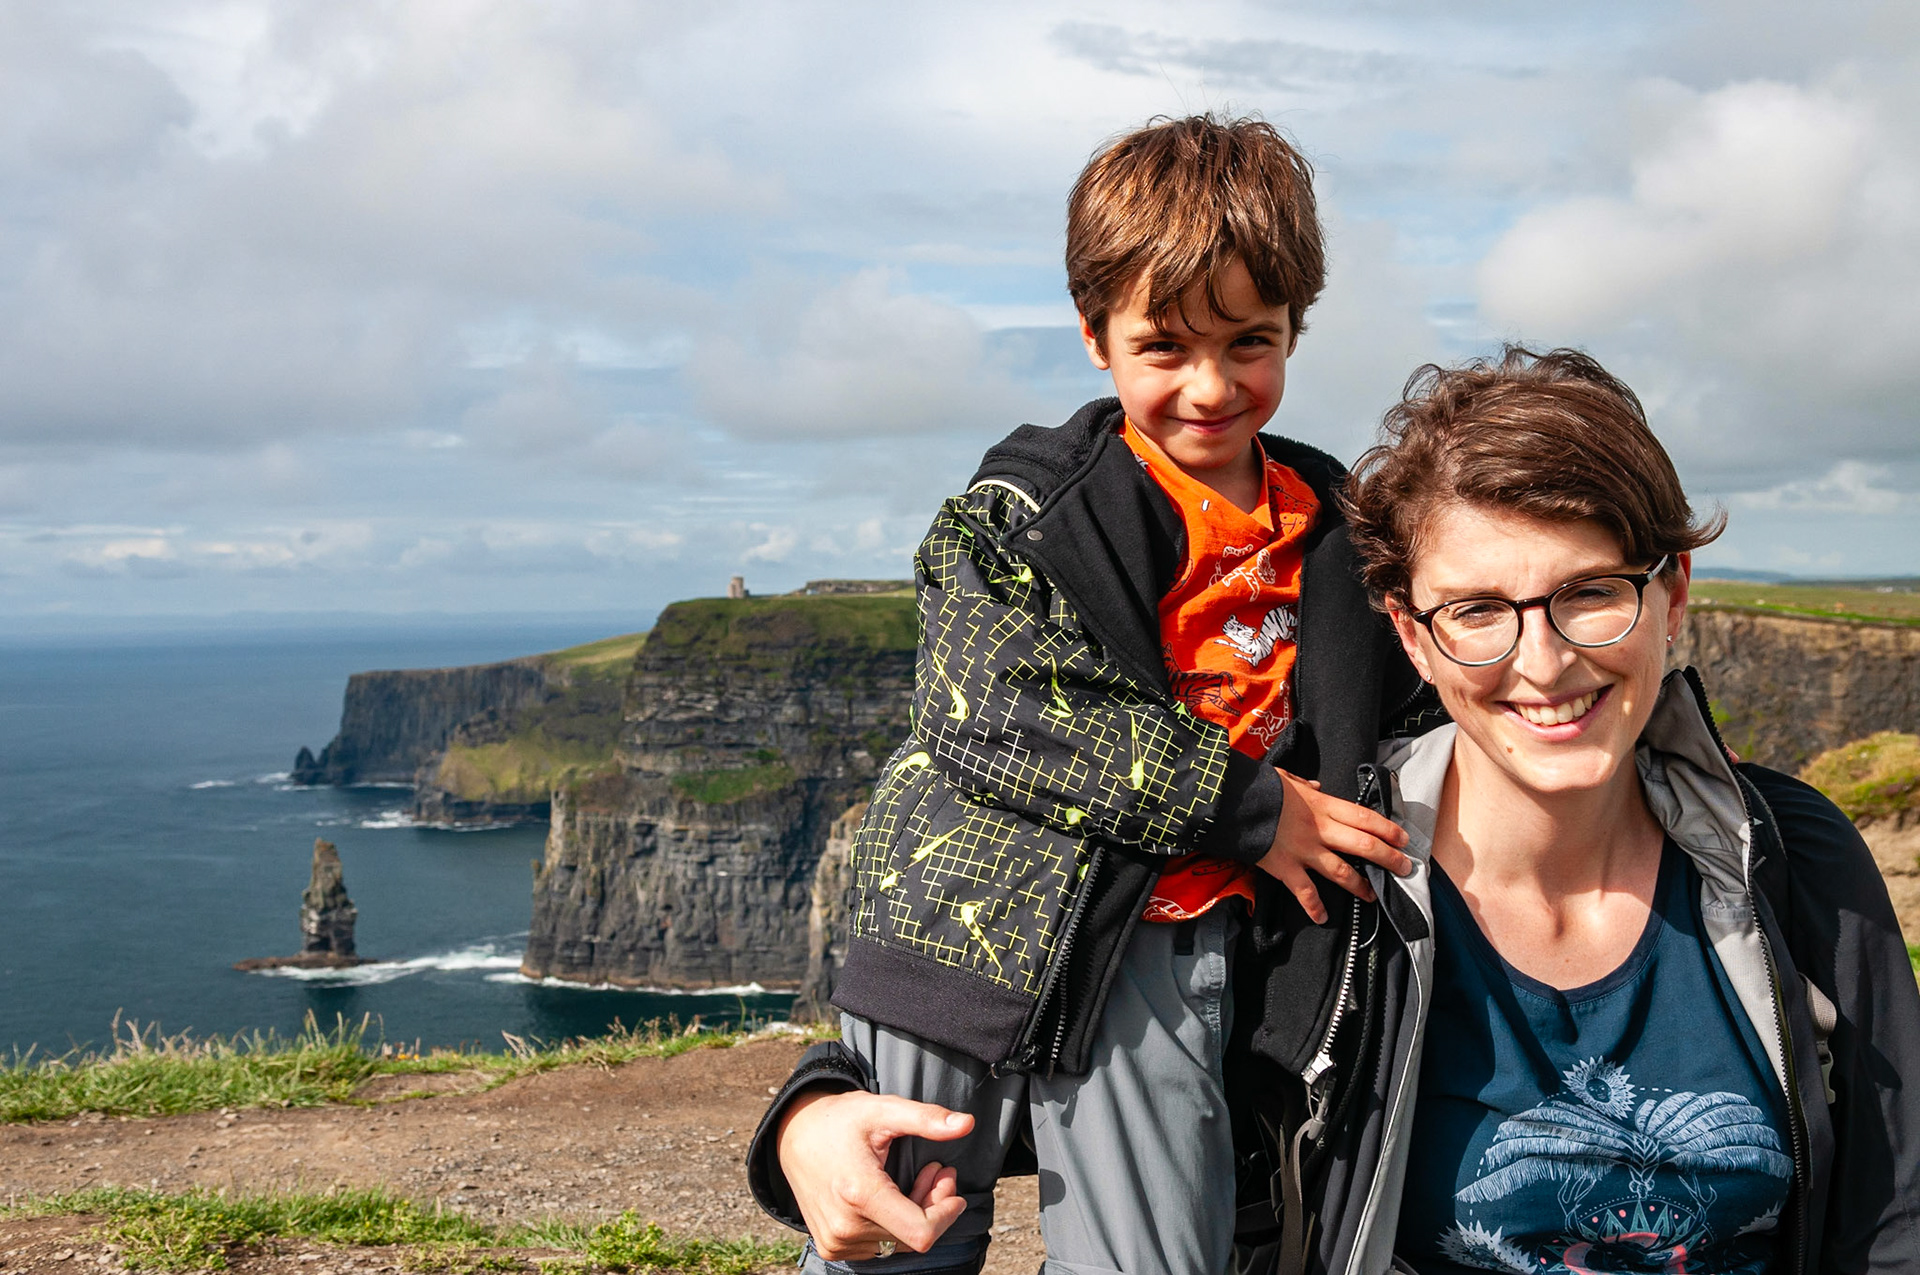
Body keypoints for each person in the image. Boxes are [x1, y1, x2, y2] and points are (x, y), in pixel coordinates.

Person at [744, 114, 1428, 1275]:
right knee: (892, 1240)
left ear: (1295, 327)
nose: (1211, 386)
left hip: (1177, 943)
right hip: (962, 935)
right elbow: (995, 710)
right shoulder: (1022, 511)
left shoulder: (1340, 526)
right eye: (1165, 346)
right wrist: (1255, 812)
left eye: (1251, 343)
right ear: (1092, 332)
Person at [1228, 345, 1920, 1274]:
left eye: (1591, 592)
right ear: (1412, 637)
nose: (1545, 662)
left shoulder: (1791, 853)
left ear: (1673, 594)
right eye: (1477, 609)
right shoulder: (1333, 882)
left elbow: (1895, 1222)